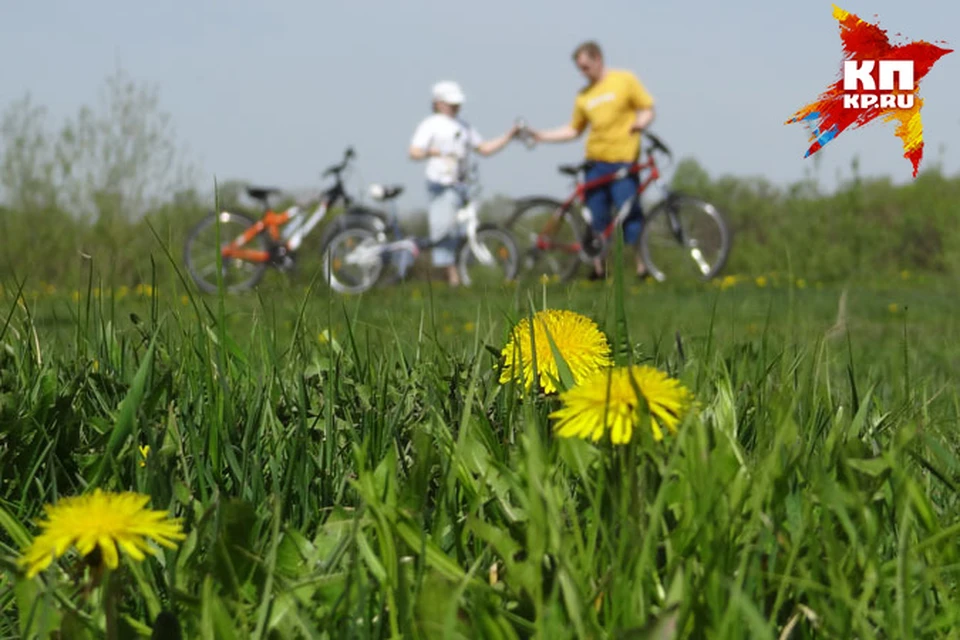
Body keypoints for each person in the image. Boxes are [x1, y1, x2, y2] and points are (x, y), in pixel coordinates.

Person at [526, 41, 656, 280]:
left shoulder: (624, 80)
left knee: (630, 214)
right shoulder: (583, 95)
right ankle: (598, 271)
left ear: (598, 59)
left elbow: (647, 107)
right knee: (597, 218)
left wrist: (641, 123)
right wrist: (541, 135)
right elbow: (573, 130)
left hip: (624, 160)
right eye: (580, 69)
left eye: (585, 66)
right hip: (595, 163)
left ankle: (642, 268)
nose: (583, 72)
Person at [408, 81, 519, 286]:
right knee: (444, 231)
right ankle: (453, 278)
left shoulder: (463, 126)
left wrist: (509, 136)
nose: (456, 106)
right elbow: (414, 151)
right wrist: (431, 152)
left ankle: (457, 275)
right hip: (441, 185)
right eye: (451, 102)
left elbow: (484, 148)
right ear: (439, 103)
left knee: (459, 231)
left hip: (462, 185)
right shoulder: (431, 124)